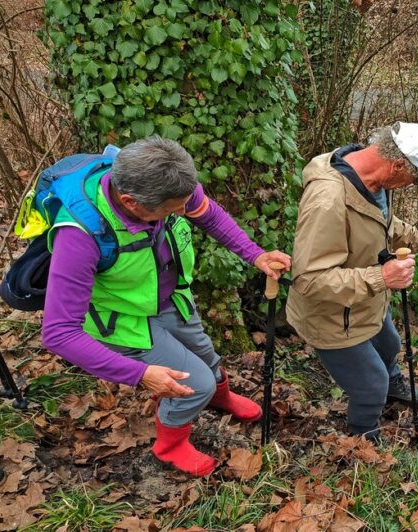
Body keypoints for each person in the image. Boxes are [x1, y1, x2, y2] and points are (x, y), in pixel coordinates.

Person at [41, 136, 291, 477]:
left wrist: (255, 255)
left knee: (207, 357)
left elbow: (210, 215)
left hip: (169, 296)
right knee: (195, 384)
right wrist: (141, 375)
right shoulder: (81, 236)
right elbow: (58, 333)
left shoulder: (171, 186)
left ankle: (220, 398)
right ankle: (170, 446)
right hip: (123, 318)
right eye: (173, 210)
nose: (184, 212)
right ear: (131, 202)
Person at [286, 122, 418, 443]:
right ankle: (363, 442)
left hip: (363, 304)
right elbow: (308, 279)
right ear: (398, 164)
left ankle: (392, 388)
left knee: (389, 345)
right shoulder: (328, 199)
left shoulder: (373, 182)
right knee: (371, 385)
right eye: (413, 178)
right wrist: (382, 277)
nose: (411, 185)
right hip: (332, 318)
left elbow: (383, 222)